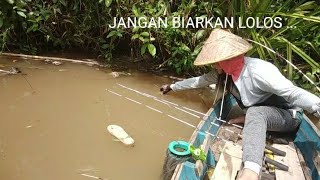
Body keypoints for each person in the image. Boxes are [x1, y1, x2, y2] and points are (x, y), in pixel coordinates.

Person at [160, 29, 320, 180]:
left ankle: (250, 171)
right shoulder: (225, 73)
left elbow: (293, 93)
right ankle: (249, 118)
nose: (215, 65)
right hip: (260, 113)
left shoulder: (259, 70)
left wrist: (317, 106)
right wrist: (172, 86)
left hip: (287, 117)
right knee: (254, 112)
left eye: (217, 62)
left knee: (256, 114)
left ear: (232, 57)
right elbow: (199, 81)